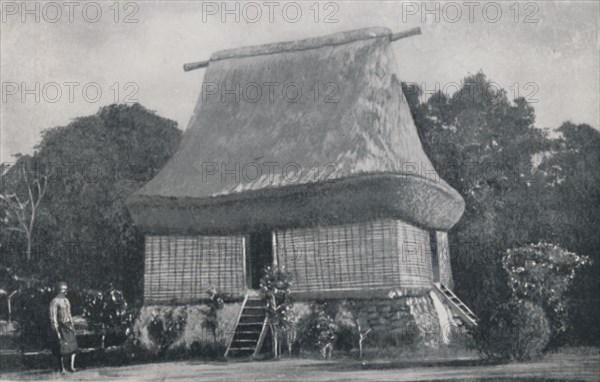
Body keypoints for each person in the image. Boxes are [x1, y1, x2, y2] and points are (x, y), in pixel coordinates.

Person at [49, 281, 78, 373]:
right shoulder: (54, 301)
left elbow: (69, 313)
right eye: (63, 290)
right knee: (61, 348)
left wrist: (72, 324)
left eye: (66, 289)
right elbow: (53, 316)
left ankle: (71, 367)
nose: (65, 291)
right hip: (61, 326)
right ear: (58, 290)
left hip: (68, 325)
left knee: (73, 347)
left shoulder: (66, 300)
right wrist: (55, 327)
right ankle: (62, 369)